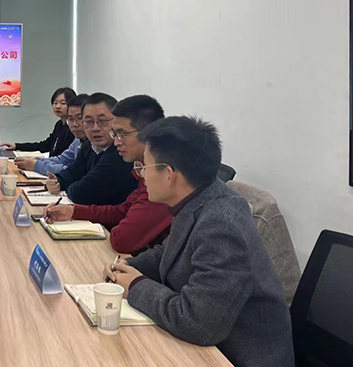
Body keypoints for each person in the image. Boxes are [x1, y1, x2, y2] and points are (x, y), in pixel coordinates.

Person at [104, 116, 294, 367]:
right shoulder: (199, 197)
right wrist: (129, 266)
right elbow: (169, 251)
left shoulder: (221, 225)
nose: (142, 175)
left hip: (234, 357)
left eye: (145, 167)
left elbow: (198, 322)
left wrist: (136, 285)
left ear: (169, 174)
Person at [44, 95, 172, 255]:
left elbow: (122, 239)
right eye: (115, 134)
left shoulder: (162, 177)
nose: (117, 142)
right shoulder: (142, 168)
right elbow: (122, 211)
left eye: (122, 134)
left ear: (149, 133)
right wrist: (73, 211)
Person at [45, 93, 137, 206]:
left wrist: (69, 186)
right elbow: (71, 173)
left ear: (116, 121)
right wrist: (56, 181)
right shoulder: (88, 145)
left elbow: (82, 193)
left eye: (102, 121)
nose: (95, 128)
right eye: (88, 122)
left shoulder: (120, 152)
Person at [14, 94, 88, 175]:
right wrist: (35, 160)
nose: (74, 124)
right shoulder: (77, 139)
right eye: (70, 119)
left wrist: (36, 165)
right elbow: (62, 159)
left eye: (79, 118)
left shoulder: (92, 144)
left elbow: (73, 172)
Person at [1, 87, 76, 157]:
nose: (58, 106)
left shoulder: (74, 128)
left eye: (63, 103)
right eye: (55, 103)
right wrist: (16, 146)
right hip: (52, 164)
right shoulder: (59, 124)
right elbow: (45, 145)